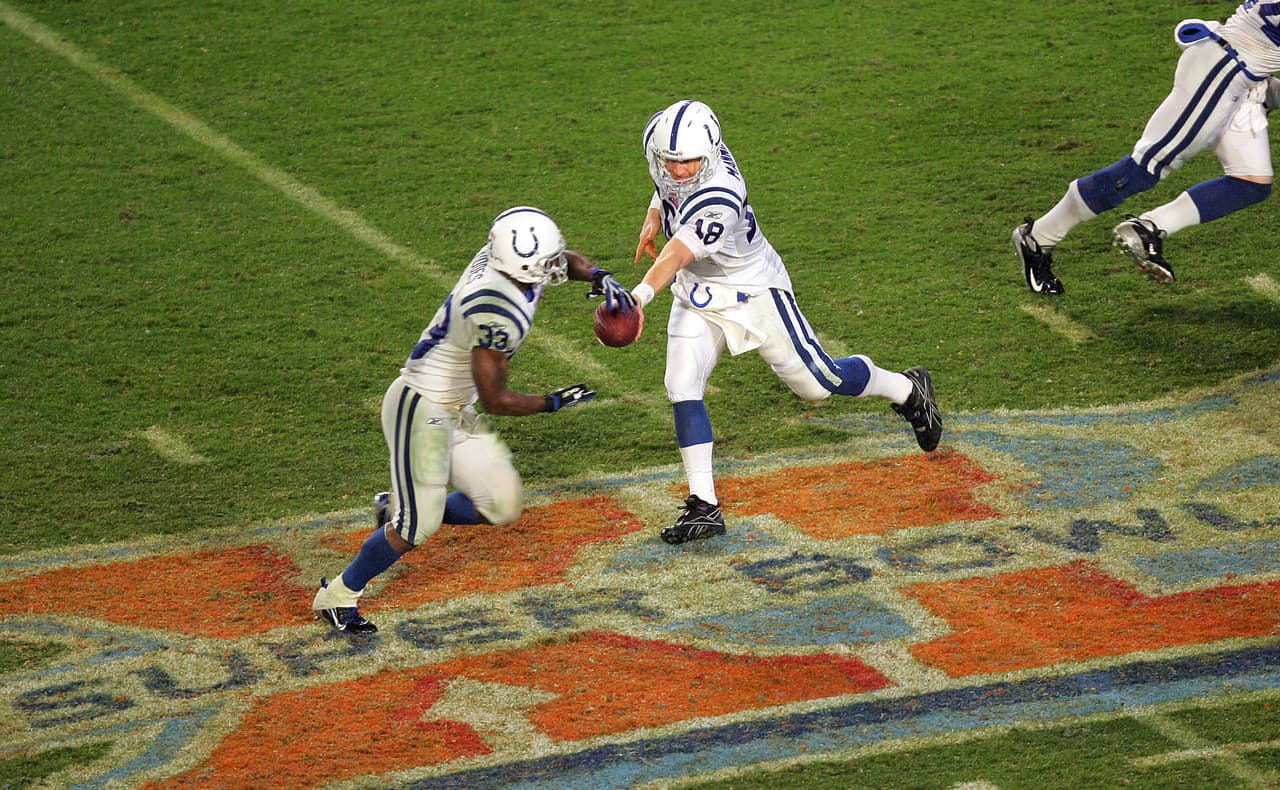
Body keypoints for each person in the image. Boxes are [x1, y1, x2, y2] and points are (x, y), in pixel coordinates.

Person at [624, 99, 942, 546]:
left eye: (690, 162)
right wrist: (654, 216)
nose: (679, 170)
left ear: (711, 153)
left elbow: (677, 255)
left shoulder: (721, 194)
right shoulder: (670, 150)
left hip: (753, 289)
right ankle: (704, 505)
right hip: (698, 291)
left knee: (819, 384)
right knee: (681, 384)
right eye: (671, 161)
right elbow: (665, 187)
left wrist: (638, 297)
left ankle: (907, 389)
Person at [312, 206, 630, 633]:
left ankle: (397, 504)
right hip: (420, 408)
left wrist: (598, 275)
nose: (556, 264)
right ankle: (338, 596)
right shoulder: (497, 313)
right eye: (548, 261)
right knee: (414, 528)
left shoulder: (506, 258)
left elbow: (560, 259)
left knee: (501, 504)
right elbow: (496, 399)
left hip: (454, 409)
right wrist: (551, 402)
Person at [1013, 6, 1280, 294]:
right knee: (1144, 167)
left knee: (1251, 182)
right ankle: (1038, 238)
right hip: (1223, 73)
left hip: (1244, 74)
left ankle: (1148, 228)